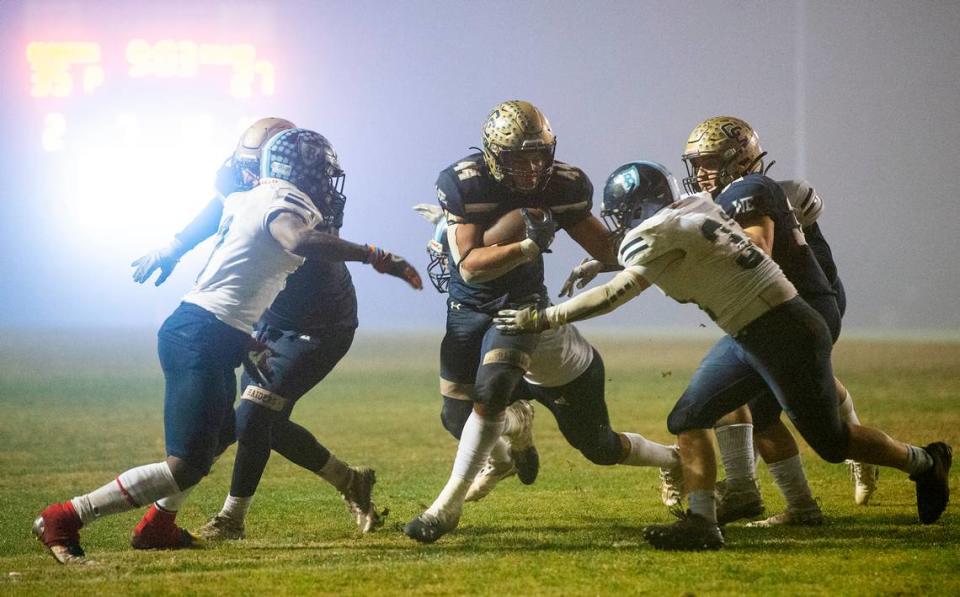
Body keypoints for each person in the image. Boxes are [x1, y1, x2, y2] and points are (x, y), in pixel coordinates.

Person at [496, 161, 951, 550]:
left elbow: (616, 294)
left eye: (622, 216)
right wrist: (604, 261)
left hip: (783, 331)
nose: (620, 226)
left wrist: (546, 317)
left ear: (636, 209)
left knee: (832, 444)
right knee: (689, 415)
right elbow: (674, 247)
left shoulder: (656, 232)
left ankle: (925, 461)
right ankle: (703, 522)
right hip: (757, 330)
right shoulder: (699, 207)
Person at [33, 128, 422, 564]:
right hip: (207, 334)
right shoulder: (286, 203)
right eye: (321, 174)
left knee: (225, 432)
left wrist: (178, 251)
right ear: (295, 171)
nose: (327, 186)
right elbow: (295, 239)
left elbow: (232, 234)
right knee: (186, 463)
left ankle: (158, 525)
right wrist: (373, 254)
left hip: (225, 332)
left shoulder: (244, 197)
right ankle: (65, 516)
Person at [129, 118, 406, 547]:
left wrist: (370, 254)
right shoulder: (253, 194)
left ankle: (230, 519)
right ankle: (349, 480)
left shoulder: (292, 207)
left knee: (254, 414)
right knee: (239, 422)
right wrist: (174, 246)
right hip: (266, 320)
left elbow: (296, 239)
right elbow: (221, 208)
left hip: (319, 325)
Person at [403, 100, 621, 543]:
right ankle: (512, 440)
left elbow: (611, 249)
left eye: (539, 154)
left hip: (521, 300)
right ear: (491, 154)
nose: (531, 166)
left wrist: (658, 238)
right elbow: (468, 266)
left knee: (492, 390)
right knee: (454, 417)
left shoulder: (564, 185)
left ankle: (446, 507)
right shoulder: (464, 182)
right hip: (468, 303)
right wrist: (527, 246)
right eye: (518, 156)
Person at [679, 116, 874, 526]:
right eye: (696, 163)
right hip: (768, 308)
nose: (699, 173)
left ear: (739, 159)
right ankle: (769, 495)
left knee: (773, 401)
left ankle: (858, 456)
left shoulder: (780, 193)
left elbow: (781, 255)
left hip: (805, 302)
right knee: (764, 399)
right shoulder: (720, 198)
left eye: (709, 161)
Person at [415, 209, 682, 503]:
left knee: (599, 448)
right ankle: (509, 444)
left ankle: (674, 459)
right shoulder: (471, 305)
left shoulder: (514, 297)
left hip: (561, 374)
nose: (453, 267)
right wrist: (452, 215)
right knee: (459, 414)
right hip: (511, 368)